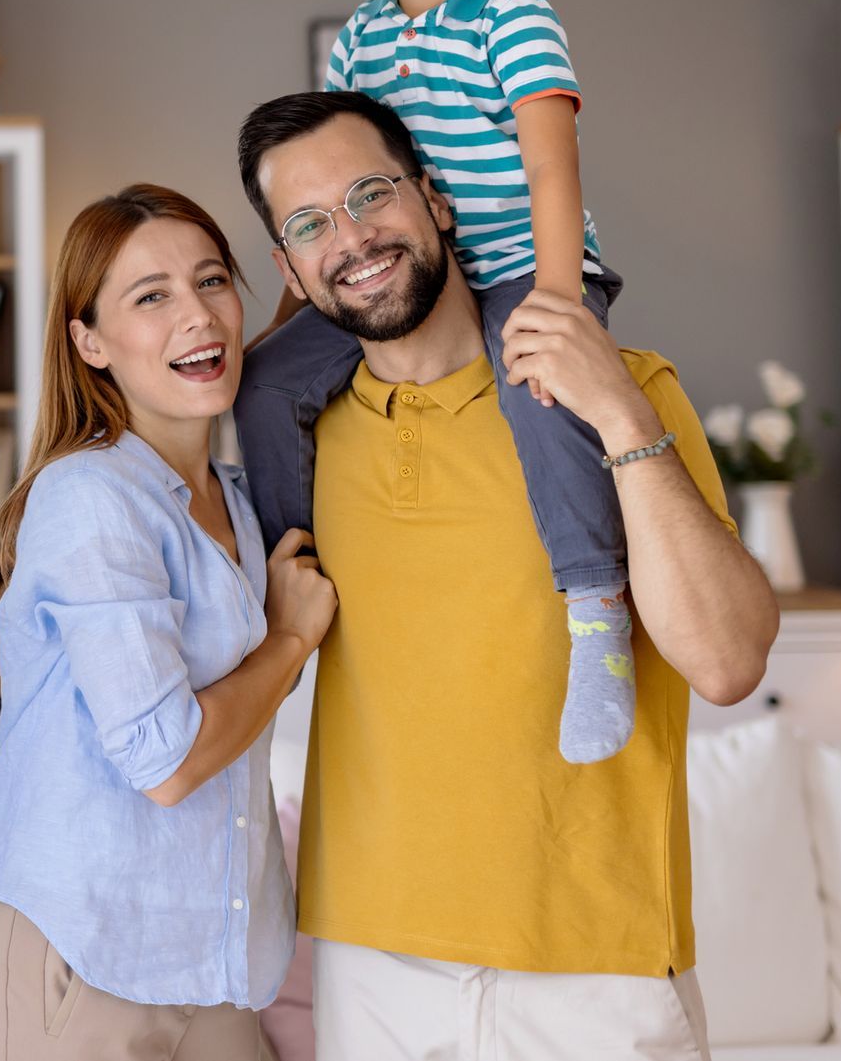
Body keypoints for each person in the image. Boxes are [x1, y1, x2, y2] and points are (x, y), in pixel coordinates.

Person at [232, 90, 778, 1059]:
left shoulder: (617, 393)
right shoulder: (303, 445)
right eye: (311, 223)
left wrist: (618, 415)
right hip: (373, 963)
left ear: (437, 199)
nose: (352, 237)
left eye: (372, 194)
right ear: (287, 267)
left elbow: (731, 662)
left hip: (596, 965)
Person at [261, 0, 634, 763]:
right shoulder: (361, 39)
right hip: (402, 279)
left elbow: (553, 163)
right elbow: (339, 181)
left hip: (518, 262)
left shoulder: (511, 16)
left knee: (540, 388)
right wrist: (300, 300)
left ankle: (595, 612)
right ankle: (287, 572)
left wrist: (557, 300)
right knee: (267, 381)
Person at [0, 184, 336, 1060]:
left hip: (219, 963)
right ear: (89, 340)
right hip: (79, 953)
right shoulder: (91, 495)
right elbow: (165, 760)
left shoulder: (243, 506)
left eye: (212, 282)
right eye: (150, 296)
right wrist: (286, 640)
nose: (196, 317)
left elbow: (298, 349)